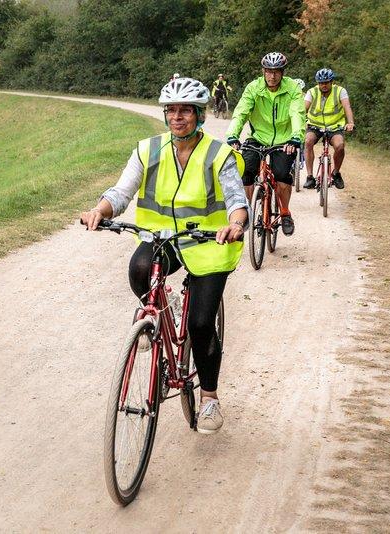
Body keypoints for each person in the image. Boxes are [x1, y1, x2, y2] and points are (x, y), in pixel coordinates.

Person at [80, 77, 248, 435]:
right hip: (165, 239)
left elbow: (237, 200)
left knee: (201, 325)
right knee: (140, 268)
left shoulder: (219, 155)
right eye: (171, 110)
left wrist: (235, 224)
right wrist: (101, 210)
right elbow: (121, 191)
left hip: (209, 245)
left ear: (199, 115)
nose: (177, 117)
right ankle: (159, 306)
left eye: (185, 110)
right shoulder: (148, 150)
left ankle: (210, 398)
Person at [224, 52, 305, 235]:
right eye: (269, 71)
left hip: (285, 140)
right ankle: (250, 209)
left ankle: (284, 212)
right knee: (245, 171)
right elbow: (241, 112)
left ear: (282, 72)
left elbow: (297, 114)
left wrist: (295, 138)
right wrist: (233, 136)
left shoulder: (292, 88)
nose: (272, 75)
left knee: (282, 175)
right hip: (258, 137)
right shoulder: (254, 88)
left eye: (276, 71)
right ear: (263, 71)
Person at [303, 68, 355, 189]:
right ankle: (310, 177)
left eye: (326, 82)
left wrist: (350, 122)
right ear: (317, 83)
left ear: (332, 82)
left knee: (340, 145)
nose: (324, 85)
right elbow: (303, 109)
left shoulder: (340, 91)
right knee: (308, 141)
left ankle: (336, 173)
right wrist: (300, 122)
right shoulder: (312, 92)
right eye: (321, 83)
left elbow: (347, 107)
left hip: (335, 126)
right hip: (315, 126)